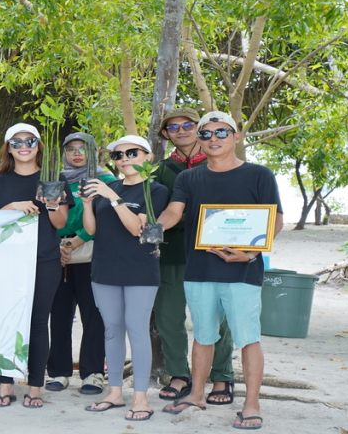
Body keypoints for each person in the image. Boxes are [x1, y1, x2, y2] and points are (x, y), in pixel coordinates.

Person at [159, 112, 283, 430]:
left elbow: (276, 220)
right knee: (203, 336)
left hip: (244, 272)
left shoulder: (259, 175)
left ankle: (251, 405)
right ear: (200, 139)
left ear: (236, 136)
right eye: (206, 133)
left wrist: (250, 253)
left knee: (248, 338)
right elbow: (173, 211)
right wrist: (154, 227)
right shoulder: (189, 179)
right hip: (199, 270)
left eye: (222, 132)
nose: (213, 138)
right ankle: (196, 395)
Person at [0, 123, 71, 408]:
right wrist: (10, 207)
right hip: (7, 261)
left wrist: (51, 204)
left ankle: (35, 387)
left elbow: (60, 224)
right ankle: (6, 385)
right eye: (16, 142)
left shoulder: (55, 179)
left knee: (38, 323)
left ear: (39, 146)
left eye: (30, 141)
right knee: (8, 321)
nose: (24, 146)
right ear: (8, 148)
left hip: (45, 259)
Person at [80, 135, 169, 421]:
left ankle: (141, 398)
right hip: (104, 269)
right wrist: (86, 204)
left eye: (132, 153)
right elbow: (91, 231)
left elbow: (136, 229)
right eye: (118, 155)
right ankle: (115, 393)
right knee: (112, 329)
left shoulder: (155, 190)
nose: (124, 159)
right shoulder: (110, 188)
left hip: (140, 270)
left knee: (137, 329)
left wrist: (113, 198)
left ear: (148, 157)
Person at [152, 108, 235, 404]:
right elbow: (159, 212)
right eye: (174, 127)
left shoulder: (220, 162)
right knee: (168, 317)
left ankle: (222, 376)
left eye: (188, 125)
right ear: (166, 134)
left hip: (214, 253)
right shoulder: (158, 171)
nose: (182, 130)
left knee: (218, 319)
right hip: (172, 253)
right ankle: (178, 374)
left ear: (199, 129)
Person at [47, 132, 113, 395]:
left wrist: (73, 243)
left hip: (91, 253)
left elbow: (105, 218)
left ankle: (93, 372)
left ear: (93, 152)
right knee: (59, 316)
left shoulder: (105, 181)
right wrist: (58, 246)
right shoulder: (55, 180)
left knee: (93, 315)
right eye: (70, 148)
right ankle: (59, 372)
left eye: (82, 148)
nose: (76, 153)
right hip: (57, 253)